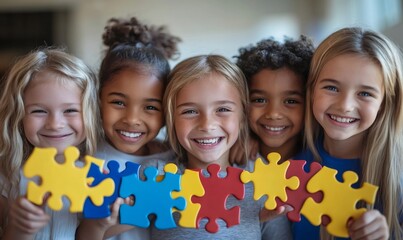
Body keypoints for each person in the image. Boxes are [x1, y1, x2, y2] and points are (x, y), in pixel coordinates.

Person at [150, 54, 285, 239]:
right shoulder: (155, 176)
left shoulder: (262, 179)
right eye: (190, 111)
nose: (207, 125)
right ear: (171, 119)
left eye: (223, 110)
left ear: (243, 116)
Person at [75, 16, 181, 240]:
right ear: (97, 99)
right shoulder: (86, 162)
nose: (132, 119)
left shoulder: (176, 156)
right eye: (119, 102)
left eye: (150, 106)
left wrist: (245, 141)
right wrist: (136, 213)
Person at [293, 27, 403, 240]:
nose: (345, 106)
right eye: (332, 88)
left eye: (365, 93)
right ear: (312, 89)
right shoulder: (293, 162)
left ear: (385, 103)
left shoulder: (397, 176)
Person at [0, 47, 100, 240]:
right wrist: (19, 229)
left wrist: (98, 224)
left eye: (70, 110)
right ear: (18, 115)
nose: (55, 124)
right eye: (39, 111)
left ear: (91, 113)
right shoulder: (6, 176)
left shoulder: (95, 175)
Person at [235, 36, 315, 238]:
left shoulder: (317, 161)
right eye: (259, 99)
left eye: (290, 100)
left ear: (310, 103)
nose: (273, 113)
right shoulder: (237, 160)